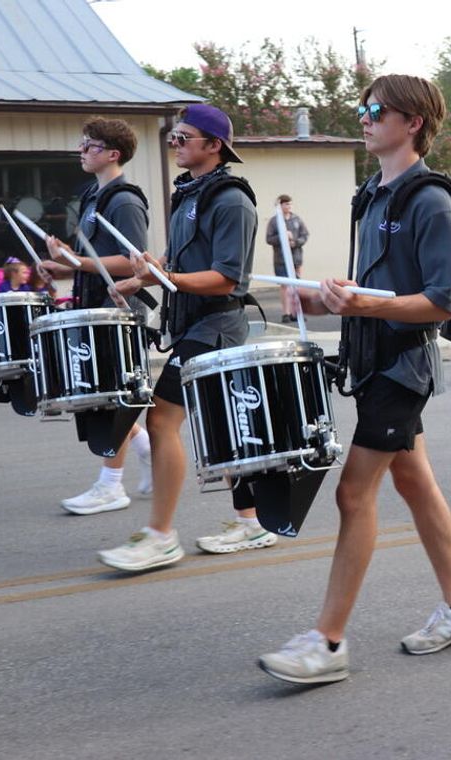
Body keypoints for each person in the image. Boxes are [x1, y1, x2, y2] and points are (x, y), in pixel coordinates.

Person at [258, 74, 451, 685]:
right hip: (372, 361)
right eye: (363, 108)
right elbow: (379, 287)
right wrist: (339, 297)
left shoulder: (432, 201)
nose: (364, 116)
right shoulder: (373, 194)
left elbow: (442, 302)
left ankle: (328, 642)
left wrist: (363, 306)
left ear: (412, 123)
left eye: (375, 109)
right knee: (415, 485)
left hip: (401, 368)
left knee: (353, 494)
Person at [102, 103, 269, 570]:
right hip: (193, 324)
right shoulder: (190, 193)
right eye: (172, 137)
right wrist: (141, 278)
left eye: (183, 137)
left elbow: (227, 278)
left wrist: (163, 275)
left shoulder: (231, 200)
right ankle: (252, 522)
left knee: (159, 422)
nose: (174, 144)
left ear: (213, 146)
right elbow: (176, 264)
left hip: (216, 325)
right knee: (223, 426)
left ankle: (161, 535)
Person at [37, 117, 153, 515]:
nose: (81, 151)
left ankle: (111, 486)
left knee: (111, 400)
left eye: (89, 146)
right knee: (101, 399)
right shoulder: (93, 196)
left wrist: (78, 260)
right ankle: (148, 450)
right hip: (94, 309)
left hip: (118, 313)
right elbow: (95, 263)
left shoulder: (125, 200)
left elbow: (133, 262)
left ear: (112, 154)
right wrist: (63, 266)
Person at [264, 194, 310, 323]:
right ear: (280, 205)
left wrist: (295, 242)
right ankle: (286, 313)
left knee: (296, 285)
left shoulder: (297, 219)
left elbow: (305, 235)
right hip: (281, 259)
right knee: (285, 286)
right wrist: (282, 237)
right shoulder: (274, 221)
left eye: (290, 203)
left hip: (296, 257)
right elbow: (269, 239)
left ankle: (297, 312)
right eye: (285, 204)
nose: (288, 206)